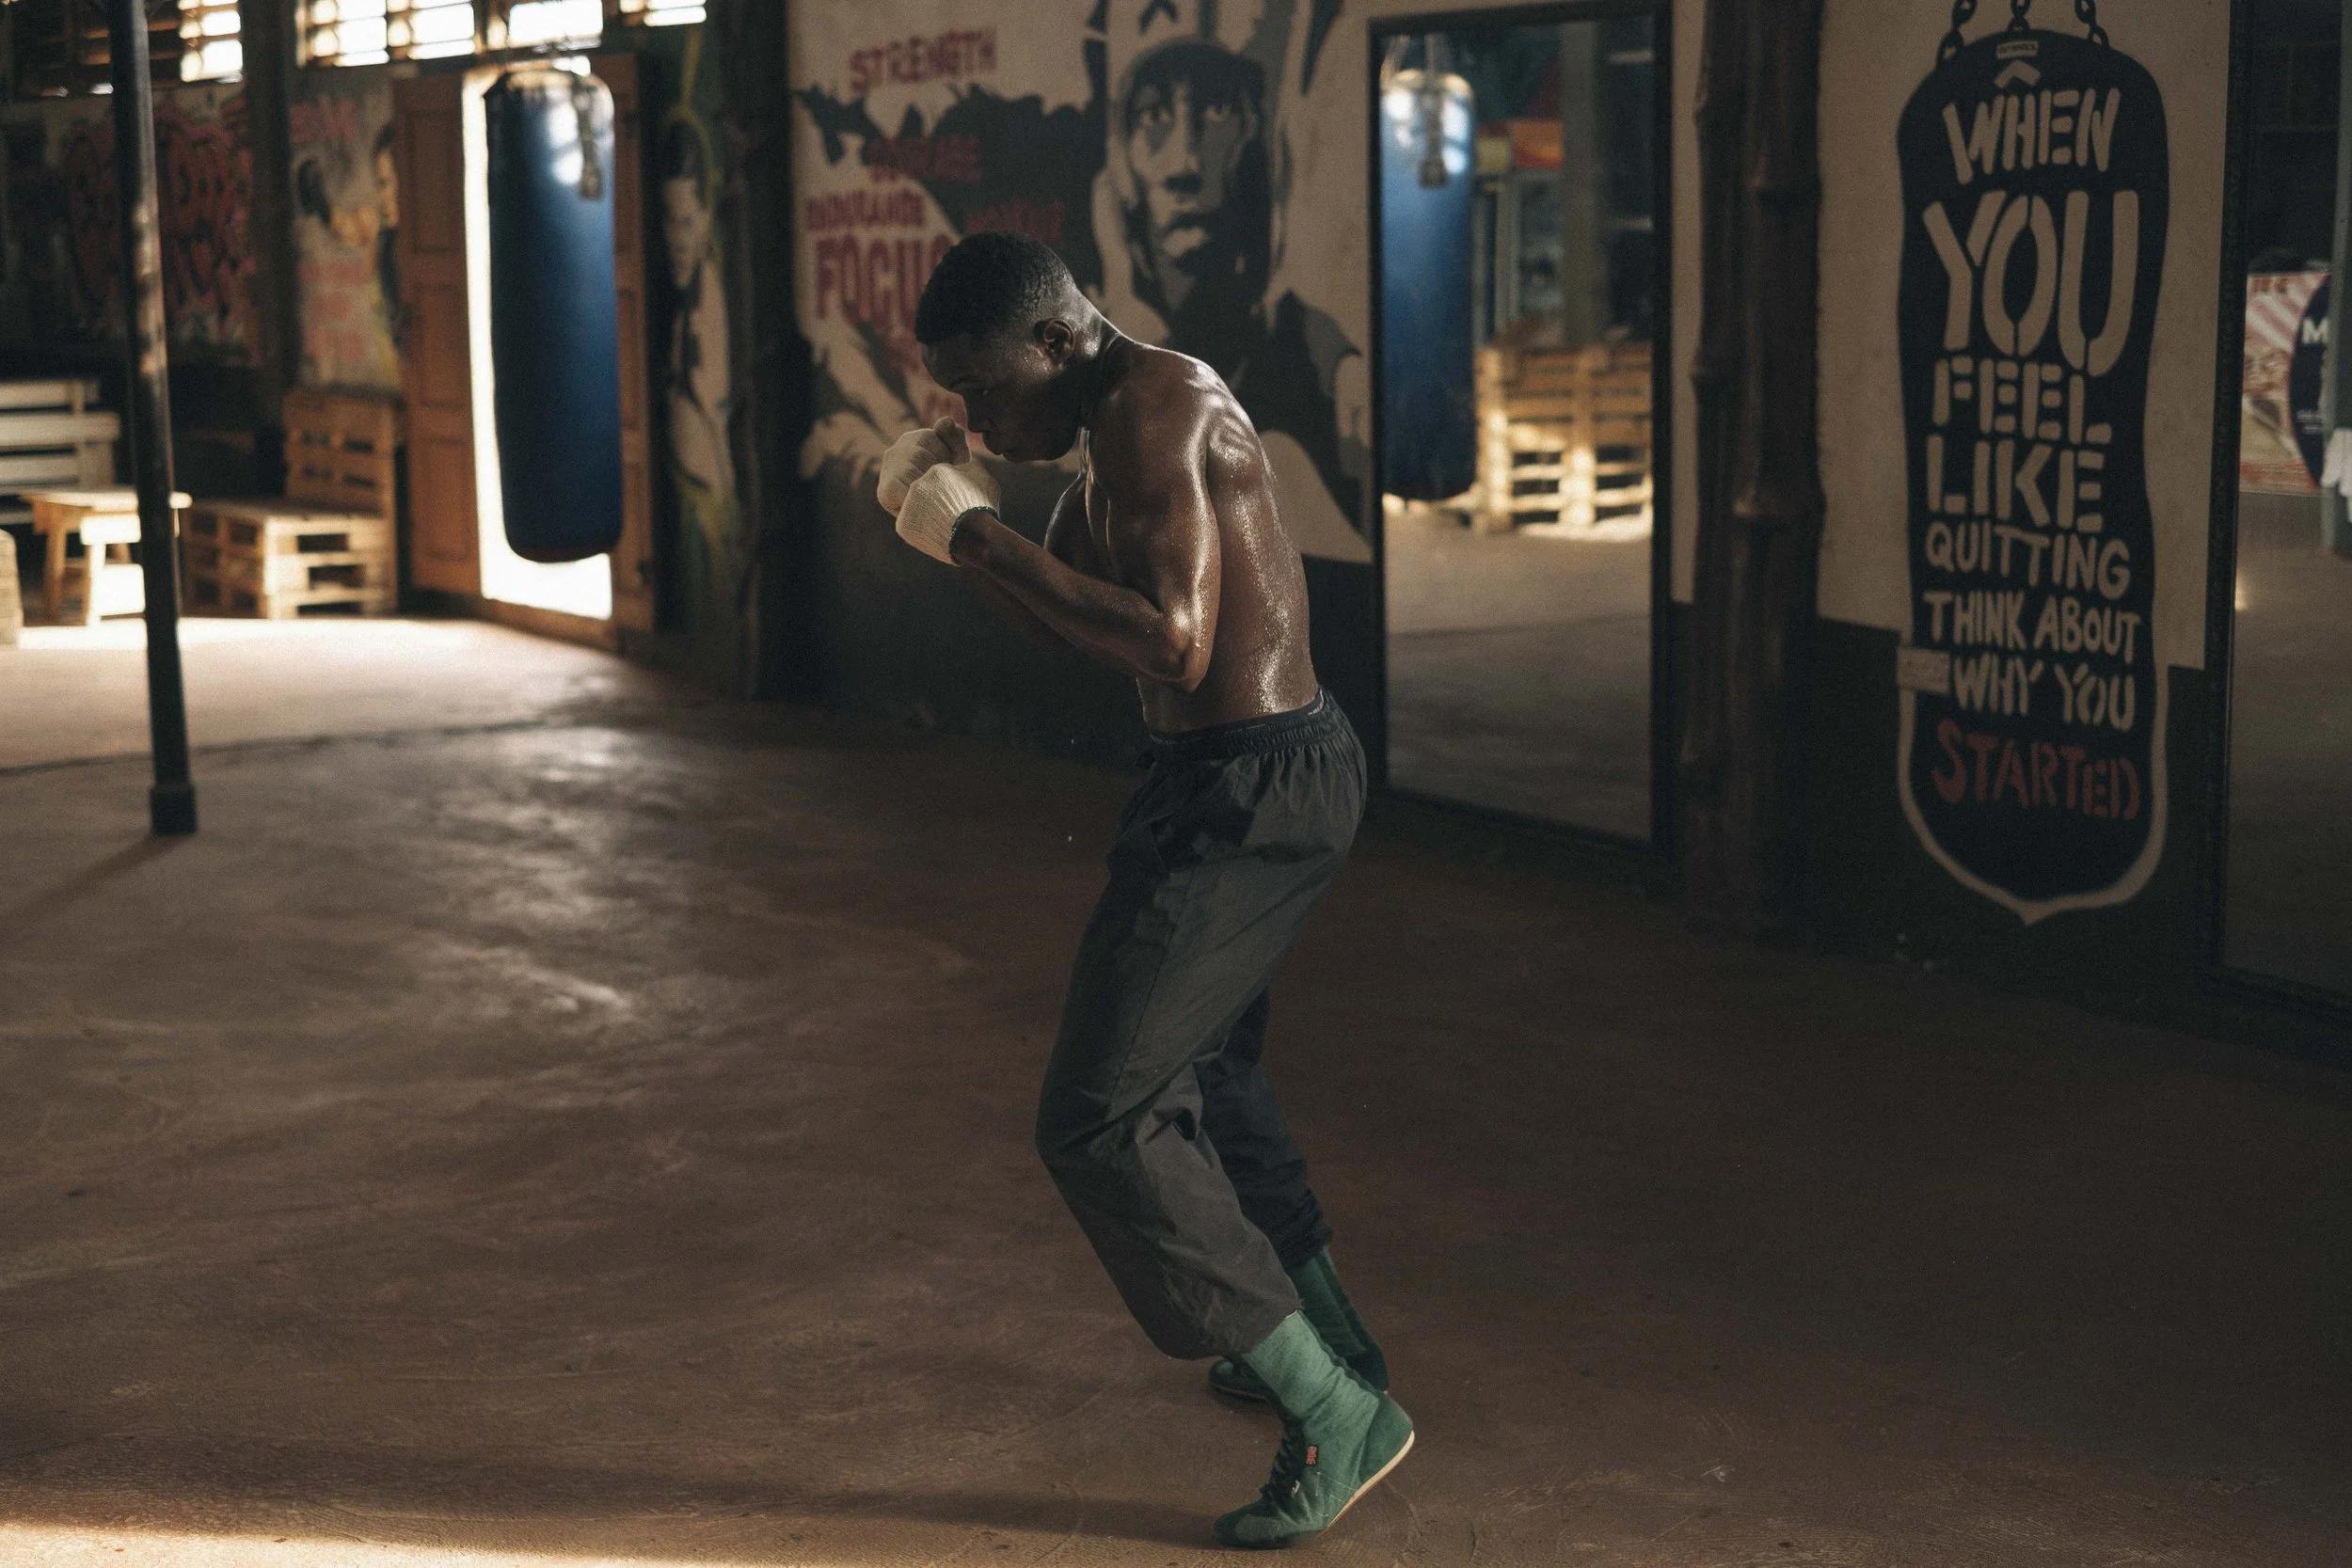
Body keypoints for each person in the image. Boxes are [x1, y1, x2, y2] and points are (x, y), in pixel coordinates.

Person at [875, 230, 1409, 1550]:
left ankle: (1327, 1407)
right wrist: (952, 534)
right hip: (1215, 784)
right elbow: (1069, 621)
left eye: (983, 389)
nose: (975, 416)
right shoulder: (1094, 440)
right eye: (953, 398)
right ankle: (1336, 1347)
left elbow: (1173, 637)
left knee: (1100, 1111)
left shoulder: (1158, 408)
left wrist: (983, 531)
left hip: (1257, 786)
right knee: (1205, 1073)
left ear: (1058, 341)